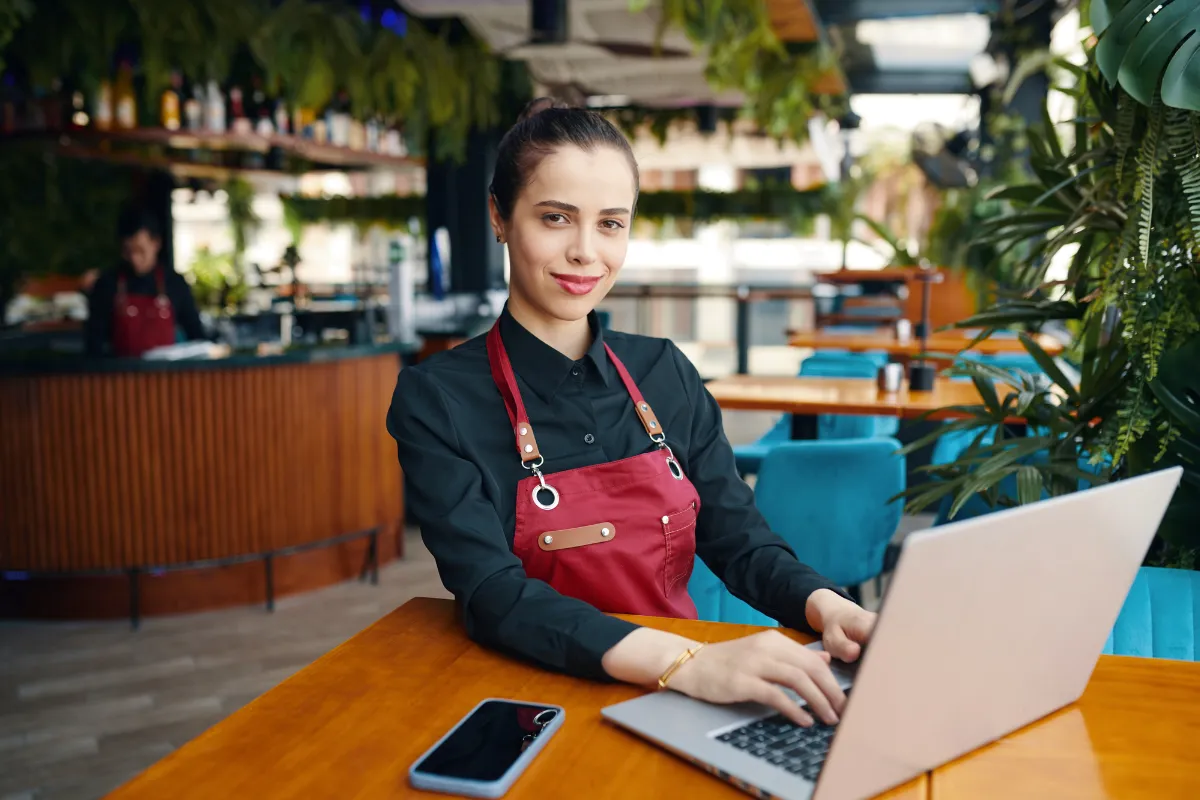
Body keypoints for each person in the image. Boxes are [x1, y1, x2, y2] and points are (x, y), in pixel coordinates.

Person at [387, 98, 877, 728]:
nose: (586, 252)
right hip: (531, 701)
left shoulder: (663, 371)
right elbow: (492, 594)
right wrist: (685, 662)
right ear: (500, 217)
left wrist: (824, 606)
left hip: (686, 699)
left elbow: (740, 541)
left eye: (611, 224)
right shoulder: (437, 400)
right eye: (556, 218)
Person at [84, 206, 206, 357]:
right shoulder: (107, 284)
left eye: (141, 251)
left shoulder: (174, 283)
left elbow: (197, 337)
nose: (135, 259)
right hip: (120, 376)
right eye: (128, 251)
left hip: (166, 375)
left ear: (156, 243)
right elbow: (94, 344)